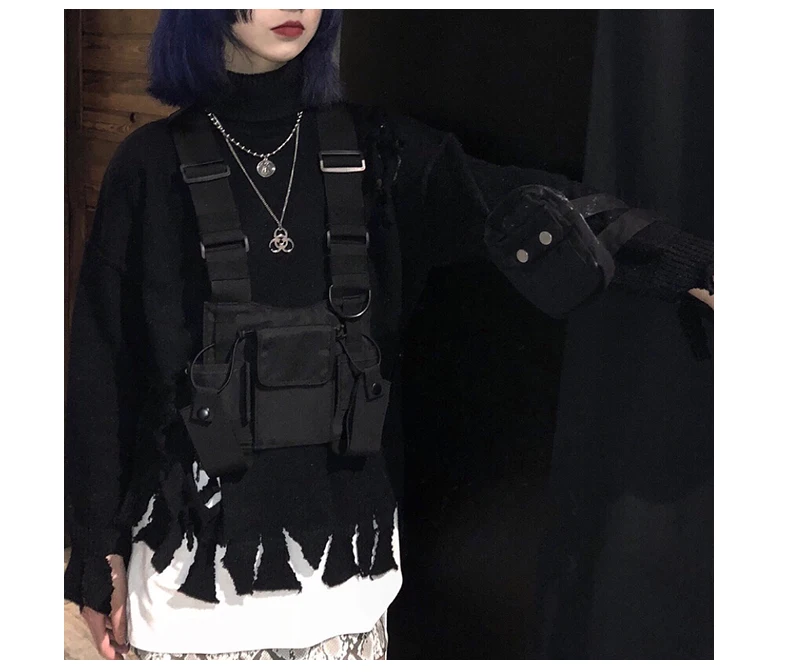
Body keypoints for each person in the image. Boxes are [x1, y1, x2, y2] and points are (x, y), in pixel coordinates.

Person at [64, 9, 714, 660]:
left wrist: (691, 264)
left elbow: (528, 208)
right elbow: (102, 369)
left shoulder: (379, 148)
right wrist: (94, 551)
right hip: (186, 598)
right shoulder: (148, 165)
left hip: (348, 594)